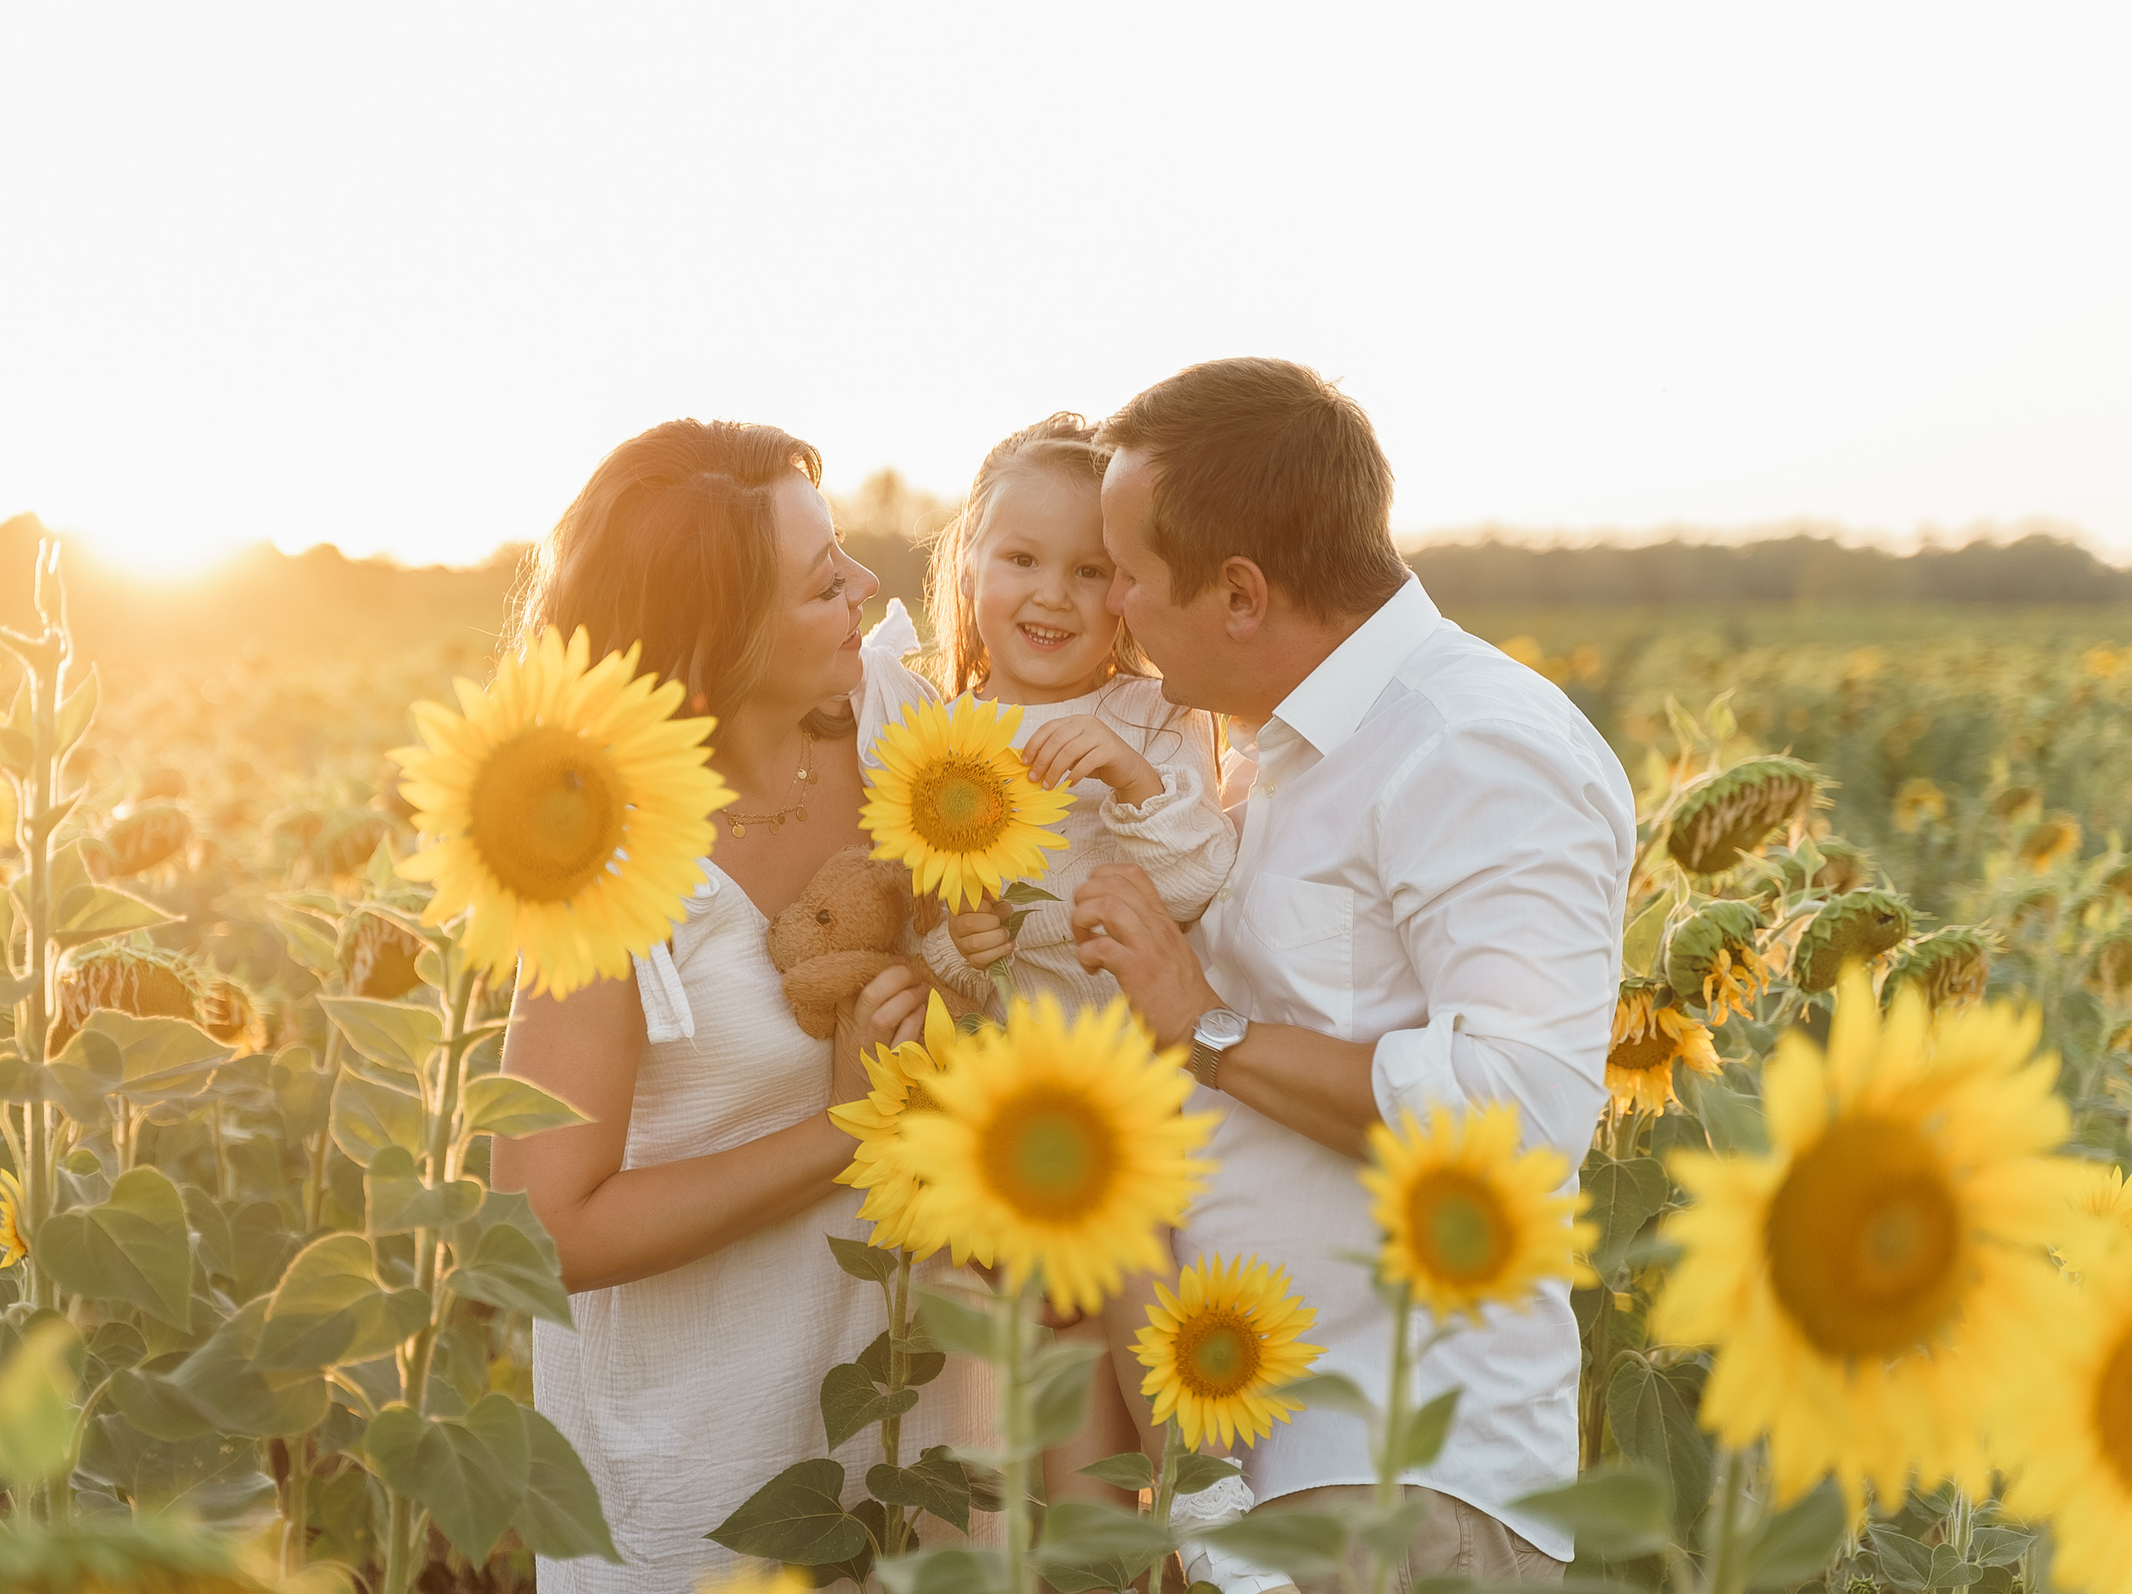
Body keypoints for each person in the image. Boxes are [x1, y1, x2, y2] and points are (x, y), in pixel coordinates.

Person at [1068, 359, 1636, 1591]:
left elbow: (1519, 1117)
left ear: (1238, 592)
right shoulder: (1271, 754)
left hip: (1407, 1477)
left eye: (1126, 573)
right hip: (1258, 1473)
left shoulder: (1471, 745)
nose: (1111, 604)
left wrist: (1201, 1028)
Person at [492, 419, 989, 1593]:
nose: (869, 589)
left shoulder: (900, 734)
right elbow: (542, 1231)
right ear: (711, 651)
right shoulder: (599, 865)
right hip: (696, 1478)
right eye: (824, 586)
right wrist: (846, 1129)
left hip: (923, 1443)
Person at [913, 411, 1237, 1015]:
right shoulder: (934, 741)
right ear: (967, 567)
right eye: (1022, 560)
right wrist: (961, 948)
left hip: (1158, 1065)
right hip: (1030, 1075)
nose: (1053, 595)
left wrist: (1131, 776)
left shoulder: (1156, 713)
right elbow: (927, 928)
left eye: (1089, 571)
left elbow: (1197, 889)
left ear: (1125, 591)